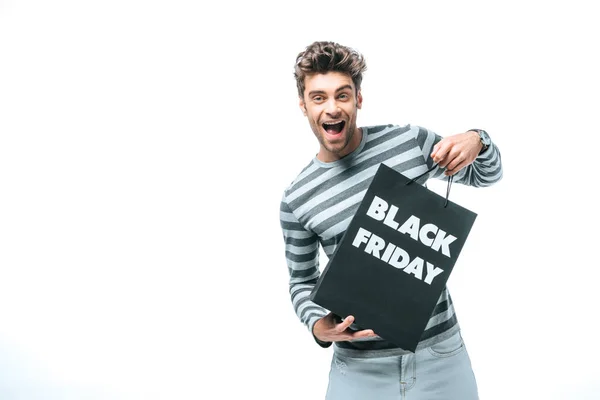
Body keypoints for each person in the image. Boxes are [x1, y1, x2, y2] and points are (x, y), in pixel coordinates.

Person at [279, 41, 502, 400]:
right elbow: (302, 281)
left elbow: (485, 176)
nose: (332, 108)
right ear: (303, 105)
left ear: (359, 99)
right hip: (358, 373)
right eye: (318, 98)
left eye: (343, 95)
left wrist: (480, 141)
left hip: (440, 359)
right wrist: (320, 327)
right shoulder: (297, 198)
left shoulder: (408, 142)